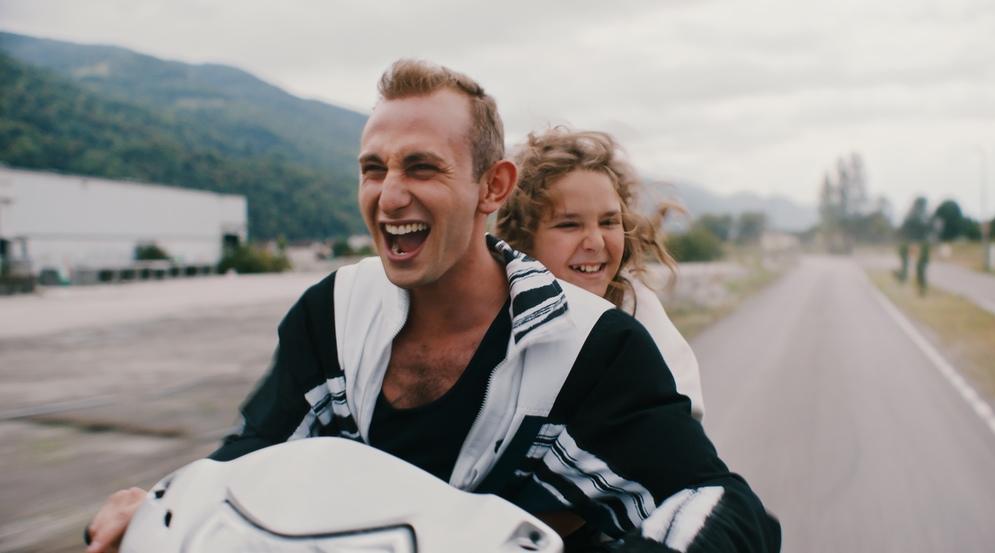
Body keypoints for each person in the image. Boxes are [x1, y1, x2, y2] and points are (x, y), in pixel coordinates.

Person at [86, 59, 780, 553]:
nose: (390, 195)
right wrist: (161, 505)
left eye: (421, 167)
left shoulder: (590, 347)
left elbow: (721, 507)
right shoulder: (330, 315)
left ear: (493, 187)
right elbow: (249, 459)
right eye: (373, 168)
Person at [495, 128, 704, 420]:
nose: (595, 242)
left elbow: (682, 413)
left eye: (608, 222)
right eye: (569, 224)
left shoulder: (634, 307)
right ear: (524, 239)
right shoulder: (499, 315)